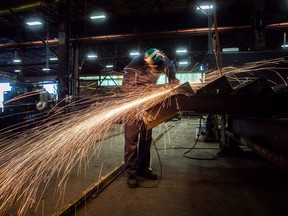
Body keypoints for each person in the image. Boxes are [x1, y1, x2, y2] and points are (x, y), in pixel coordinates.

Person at [122, 47, 179, 188]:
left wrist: (172, 79)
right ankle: (131, 173)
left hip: (149, 103)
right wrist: (151, 91)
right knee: (131, 139)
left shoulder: (161, 58)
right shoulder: (132, 68)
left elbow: (170, 65)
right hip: (133, 104)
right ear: (146, 61)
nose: (157, 70)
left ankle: (143, 168)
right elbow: (127, 89)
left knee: (146, 138)